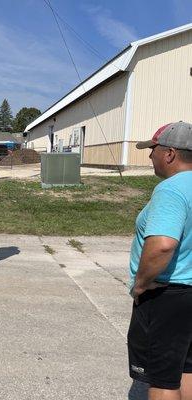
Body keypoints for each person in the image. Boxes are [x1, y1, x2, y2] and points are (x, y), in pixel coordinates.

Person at [127, 121, 192, 399]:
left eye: (152, 149)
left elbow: (163, 245)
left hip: (168, 294)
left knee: (162, 380)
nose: (149, 155)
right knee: (185, 368)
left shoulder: (171, 189)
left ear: (169, 154)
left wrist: (140, 284)